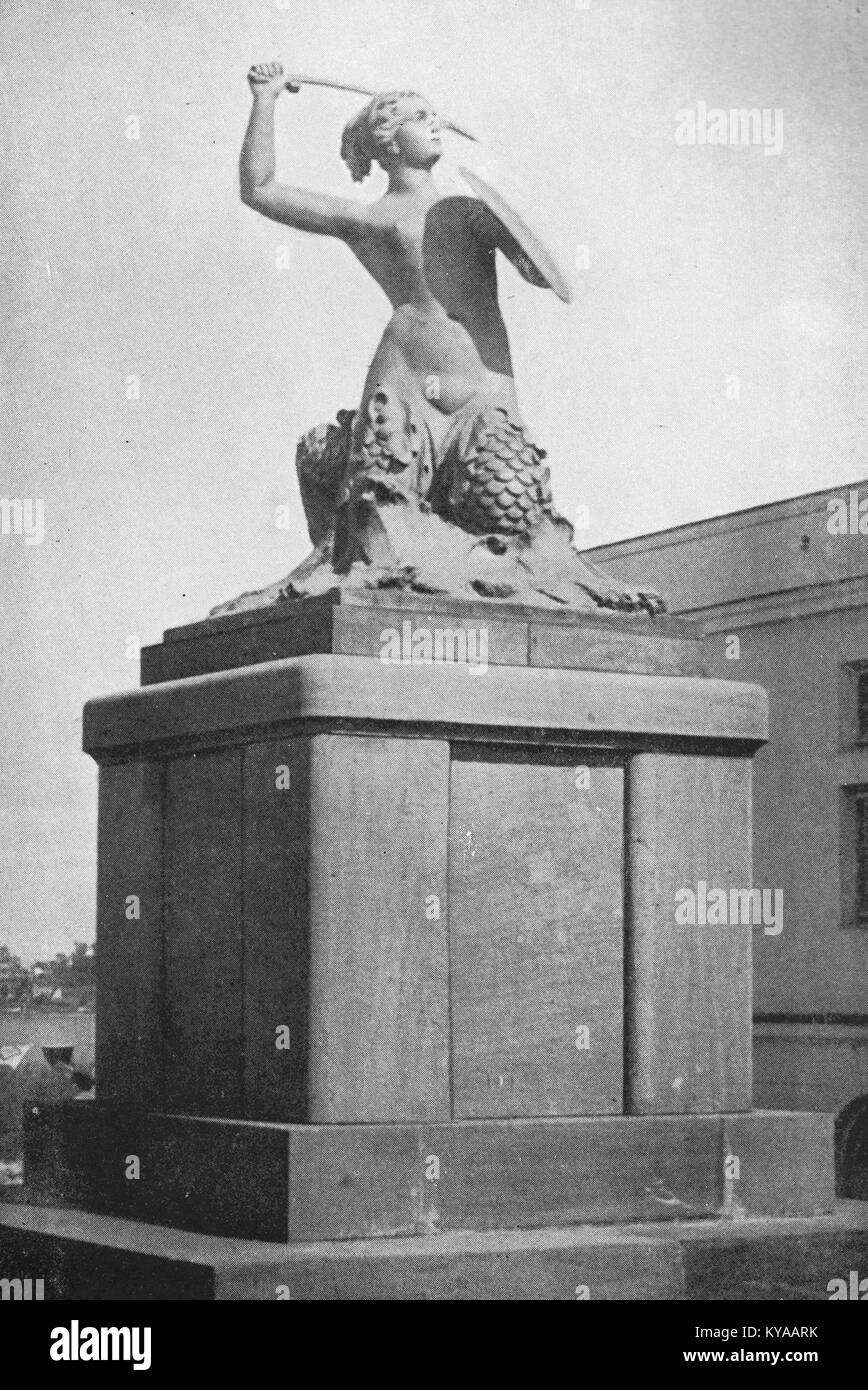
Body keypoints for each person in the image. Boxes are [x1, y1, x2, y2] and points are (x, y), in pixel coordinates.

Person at [228, 62, 663, 612]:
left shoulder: (470, 212)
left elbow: (537, 269)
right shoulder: (370, 220)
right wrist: (264, 100)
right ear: (387, 142)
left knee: (512, 514)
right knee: (374, 521)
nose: (435, 125)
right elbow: (260, 189)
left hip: (482, 389)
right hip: (404, 384)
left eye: (435, 116)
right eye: (417, 118)